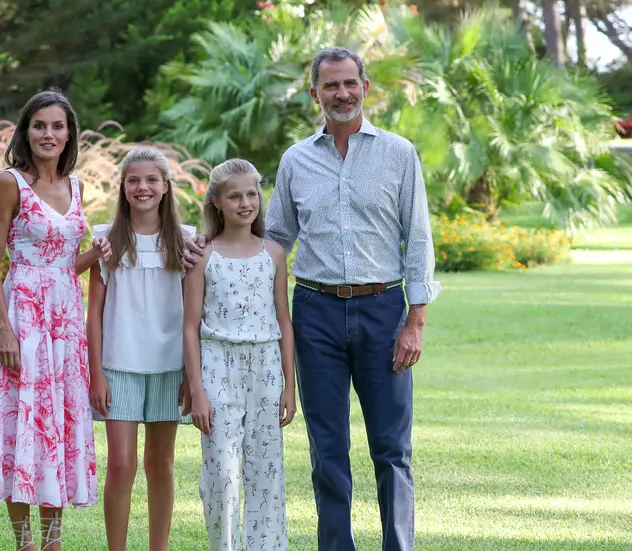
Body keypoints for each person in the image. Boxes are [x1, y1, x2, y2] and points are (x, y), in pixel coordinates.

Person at [184, 47, 441, 551]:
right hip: (316, 312)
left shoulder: (398, 154)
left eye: (350, 83)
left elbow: (419, 238)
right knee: (328, 448)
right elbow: (271, 237)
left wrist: (416, 320)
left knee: (392, 448)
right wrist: (205, 240)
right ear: (315, 94)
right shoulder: (296, 160)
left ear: (366, 87)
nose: (341, 94)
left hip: (384, 309)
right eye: (331, 86)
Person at [0, 89, 112, 551]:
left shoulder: (77, 186)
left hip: (65, 321)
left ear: (70, 134)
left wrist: (101, 253)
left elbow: (65, 265)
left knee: (58, 425)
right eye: (39, 126)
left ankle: (53, 541)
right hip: (23, 318)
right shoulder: (9, 182)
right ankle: (24, 541)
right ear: (25, 131)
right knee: (21, 423)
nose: (48, 134)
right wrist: (4, 327)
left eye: (57, 126)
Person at [183, 158, 297, 551]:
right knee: (222, 474)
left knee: (266, 474)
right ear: (216, 201)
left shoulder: (274, 254)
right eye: (234, 196)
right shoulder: (202, 256)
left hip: (265, 367)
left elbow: (284, 320)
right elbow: (189, 326)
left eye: (252, 193)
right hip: (217, 365)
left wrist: (289, 386)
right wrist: (196, 390)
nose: (246, 202)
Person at [85, 147, 195, 551]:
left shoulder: (186, 242)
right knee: (121, 465)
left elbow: (192, 315)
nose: (142, 187)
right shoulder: (105, 240)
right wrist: (95, 372)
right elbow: (93, 313)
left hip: (170, 366)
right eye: (134, 180)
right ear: (123, 187)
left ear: (166, 187)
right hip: (118, 365)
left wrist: (192, 375)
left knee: (160, 464)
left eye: (152, 180)